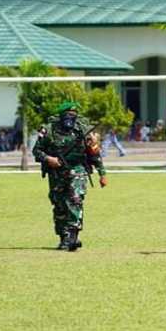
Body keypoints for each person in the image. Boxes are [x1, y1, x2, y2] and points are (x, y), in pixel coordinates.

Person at [32, 101, 108, 251]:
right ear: (61, 115)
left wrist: (102, 173)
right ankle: (64, 236)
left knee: (75, 199)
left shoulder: (83, 130)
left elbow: (94, 153)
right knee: (59, 205)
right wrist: (49, 159)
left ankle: (72, 236)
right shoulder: (48, 130)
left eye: (73, 115)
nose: (70, 118)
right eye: (67, 115)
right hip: (56, 172)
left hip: (77, 169)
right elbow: (37, 151)